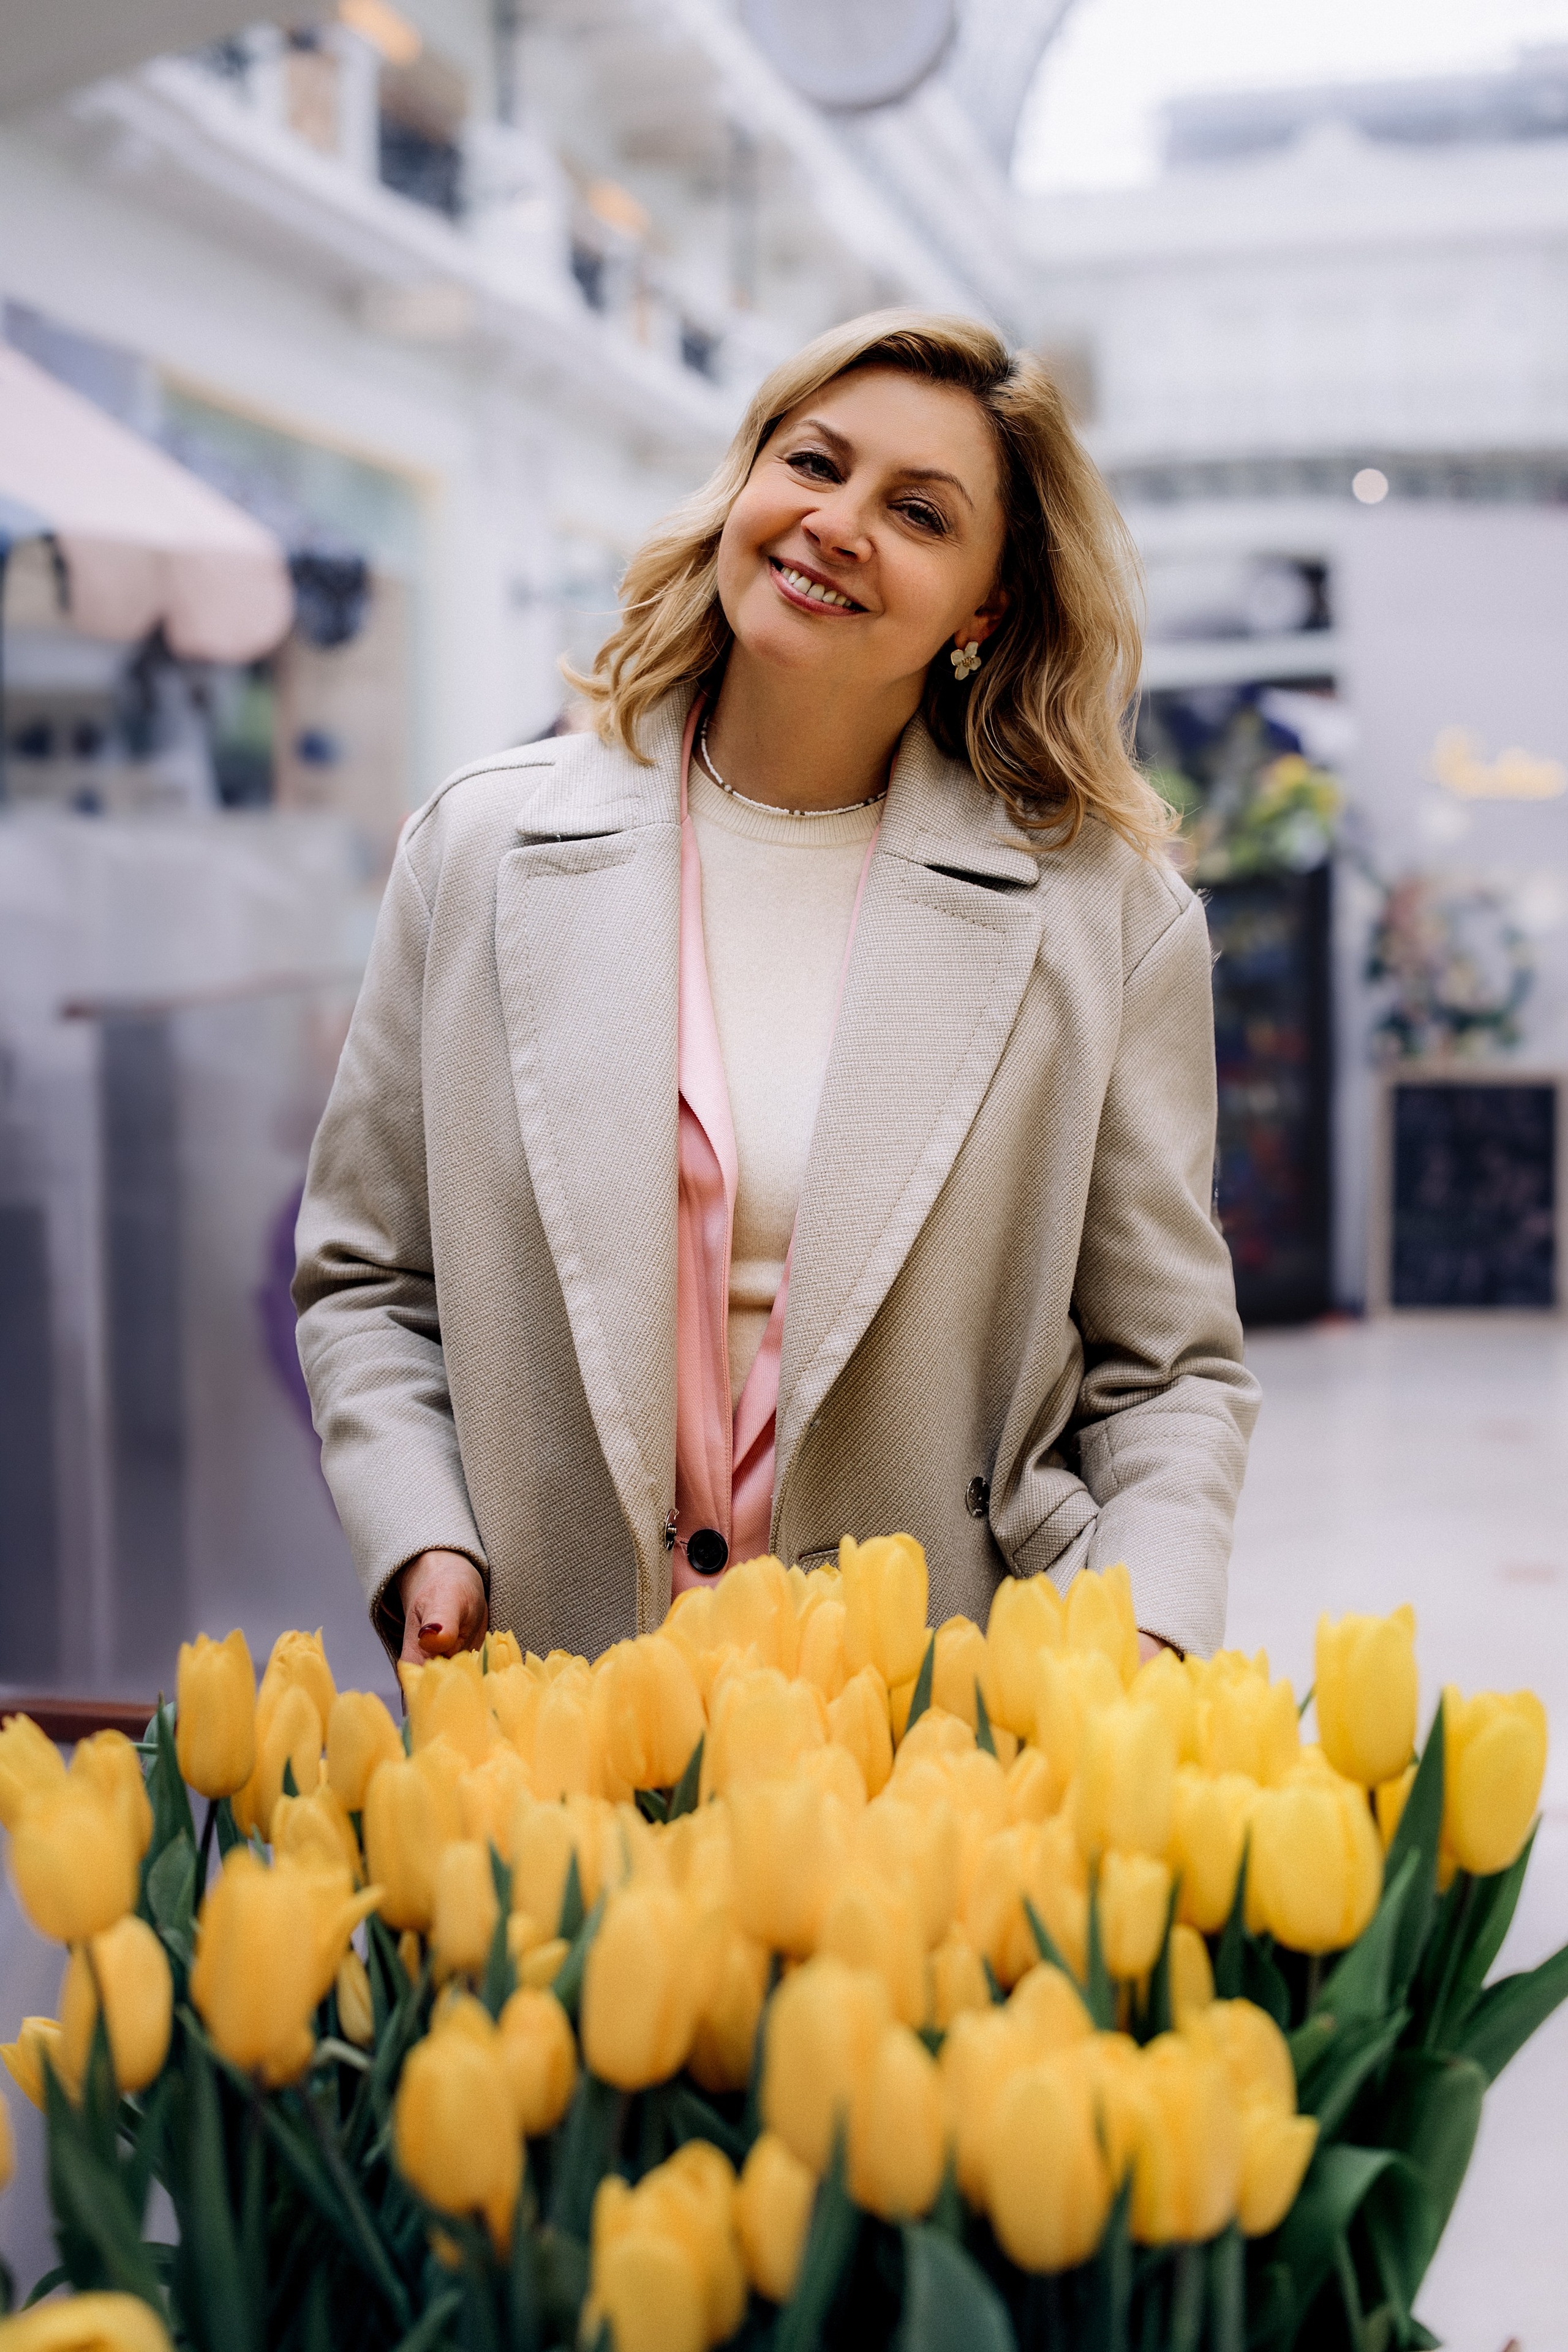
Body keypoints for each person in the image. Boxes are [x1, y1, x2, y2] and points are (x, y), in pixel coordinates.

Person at [293, 309, 1259, 1672]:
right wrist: (423, 1538)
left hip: (938, 1708)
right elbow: (369, 1279)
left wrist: (1147, 1629)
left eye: (918, 513)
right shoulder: (477, 852)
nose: (838, 523)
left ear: (985, 604)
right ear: (745, 483)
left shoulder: (1101, 923)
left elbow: (1166, 1373)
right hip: (545, 1691)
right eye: (812, 464)